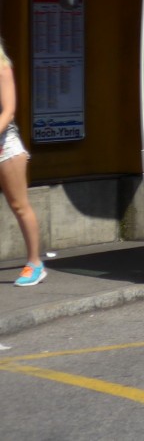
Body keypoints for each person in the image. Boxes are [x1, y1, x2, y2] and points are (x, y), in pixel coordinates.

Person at [0, 38, 46, 287]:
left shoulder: (2, 67)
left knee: (19, 205)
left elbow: (9, 110)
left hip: (5, 145)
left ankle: (35, 263)